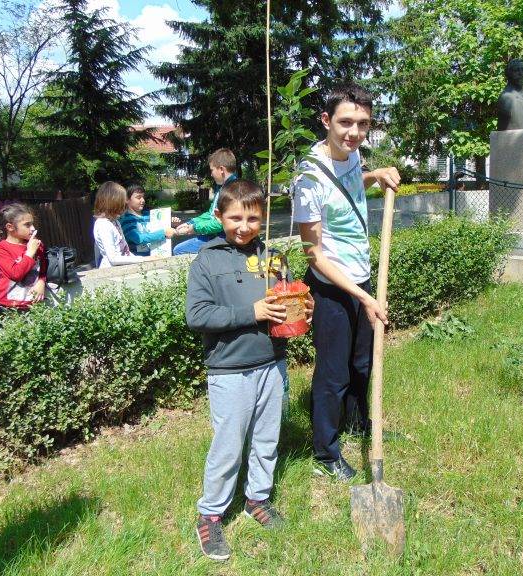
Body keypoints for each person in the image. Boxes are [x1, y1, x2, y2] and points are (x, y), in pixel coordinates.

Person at [185, 179, 312, 562]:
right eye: (235, 218)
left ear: (263, 217)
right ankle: (210, 514)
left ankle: (257, 499)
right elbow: (197, 315)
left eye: (253, 219)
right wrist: (250, 312)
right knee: (228, 445)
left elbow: (287, 300)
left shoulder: (274, 257)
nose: (244, 226)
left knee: (266, 438)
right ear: (219, 216)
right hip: (229, 369)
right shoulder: (207, 260)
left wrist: (303, 310)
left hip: (272, 363)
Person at [292, 82, 400, 481]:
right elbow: (314, 254)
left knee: (362, 362)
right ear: (326, 120)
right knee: (333, 373)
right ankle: (325, 452)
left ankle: (357, 424)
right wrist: (363, 298)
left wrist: (375, 175)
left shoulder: (353, 155)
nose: (354, 132)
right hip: (331, 288)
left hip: (361, 279)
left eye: (363, 124)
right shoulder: (308, 178)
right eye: (345, 123)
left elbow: (350, 186)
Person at [0, 203, 48, 328]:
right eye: (27, 225)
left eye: (32, 224)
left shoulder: (37, 245)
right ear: (10, 227)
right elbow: (15, 274)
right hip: (4, 307)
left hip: (30, 305)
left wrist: (41, 281)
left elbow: (43, 268)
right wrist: (30, 253)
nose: (33, 228)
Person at [172, 148, 237, 255]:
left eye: (212, 170)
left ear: (221, 169)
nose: (211, 174)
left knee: (179, 250)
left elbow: (220, 223)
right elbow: (211, 214)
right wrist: (190, 223)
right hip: (216, 235)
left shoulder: (231, 191)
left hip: (223, 238)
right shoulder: (222, 188)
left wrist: (193, 229)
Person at [93, 181, 150, 268]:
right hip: (111, 272)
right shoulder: (103, 225)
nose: (125, 205)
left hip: (123, 268)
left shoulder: (115, 222)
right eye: (121, 203)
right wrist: (142, 259)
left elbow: (125, 252)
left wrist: (144, 260)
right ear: (113, 203)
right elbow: (113, 259)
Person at [120, 183, 180, 256]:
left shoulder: (150, 215)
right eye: (138, 197)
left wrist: (171, 223)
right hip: (139, 259)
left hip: (159, 254)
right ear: (127, 200)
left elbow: (160, 228)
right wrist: (163, 233)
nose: (143, 200)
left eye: (143, 197)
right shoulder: (126, 220)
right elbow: (138, 239)